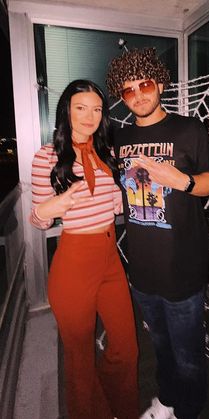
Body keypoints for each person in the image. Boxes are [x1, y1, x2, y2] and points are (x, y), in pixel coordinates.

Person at [106, 48, 209, 419]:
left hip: (183, 268)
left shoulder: (189, 129)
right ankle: (167, 402)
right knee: (160, 347)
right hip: (141, 270)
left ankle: (189, 410)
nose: (138, 94)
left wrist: (182, 180)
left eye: (145, 84)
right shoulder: (120, 139)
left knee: (188, 355)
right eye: (128, 90)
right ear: (121, 97)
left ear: (158, 82)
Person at [30, 79, 139, 419]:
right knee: (79, 358)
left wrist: (138, 187)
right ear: (67, 111)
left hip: (109, 258)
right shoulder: (45, 157)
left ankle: (114, 399)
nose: (90, 116)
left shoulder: (105, 153)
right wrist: (50, 208)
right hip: (74, 262)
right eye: (81, 107)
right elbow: (38, 219)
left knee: (126, 347)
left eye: (96, 109)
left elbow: (116, 205)